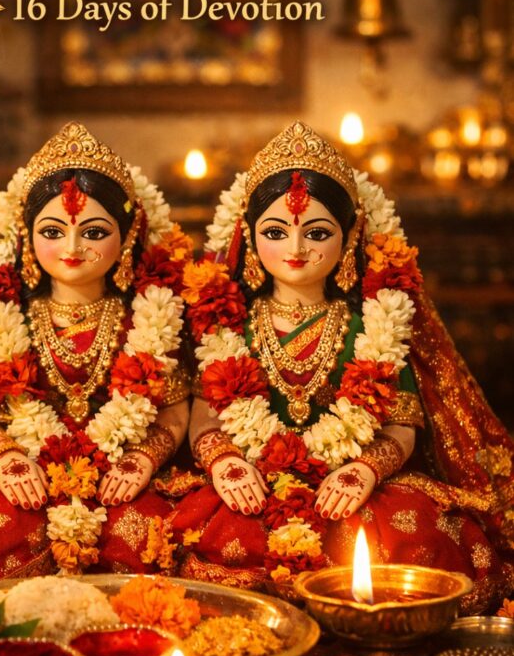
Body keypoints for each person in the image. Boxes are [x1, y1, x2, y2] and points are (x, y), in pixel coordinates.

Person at [171, 120, 513, 611]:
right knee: (216, 531)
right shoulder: (228, 322)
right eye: (275, 231)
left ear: (350, 237)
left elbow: (402, 423)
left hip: (352, 485)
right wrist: (224, 461)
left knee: (411, 534)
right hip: (252, 479)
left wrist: (364, 471)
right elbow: (205, 411)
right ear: (247, 236)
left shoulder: (372, 322)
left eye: (317, 232)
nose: (295, 249)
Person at [0, 122, 191, 579]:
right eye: (53, 231)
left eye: (94, 233)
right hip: (24, 476)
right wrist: (5, 458)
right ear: (27, 236)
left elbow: (176, 411)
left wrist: (143, 457)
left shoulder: (151, 321)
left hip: (123, 477)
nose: (72, 247)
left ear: (129, 236)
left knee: (142, 533)